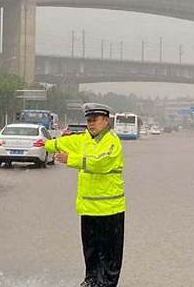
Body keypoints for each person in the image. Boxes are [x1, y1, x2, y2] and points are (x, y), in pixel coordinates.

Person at [45, 103, 125, 287]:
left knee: (109, 256)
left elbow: (101, 163)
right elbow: (58, 143)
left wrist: (71, 159)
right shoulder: (83, 139)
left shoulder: (112, 142)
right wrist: (44, 143)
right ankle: (91, 281)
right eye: (88, 120)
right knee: (91, 251)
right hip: (88, 209)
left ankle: (106, 284)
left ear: (106, 121)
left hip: (109, 210)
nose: (91, 124)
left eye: (94, 120)